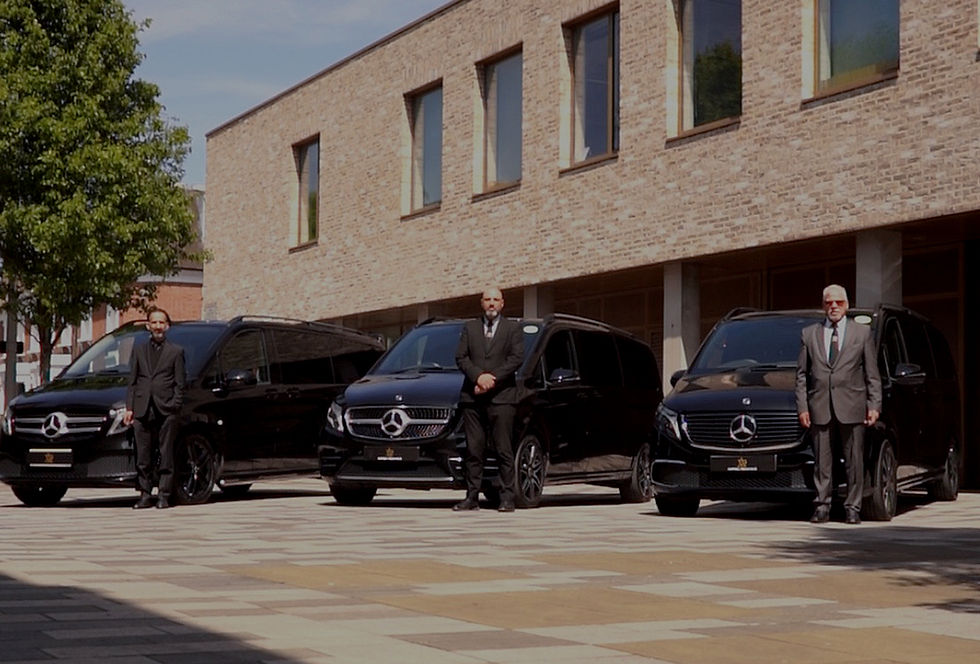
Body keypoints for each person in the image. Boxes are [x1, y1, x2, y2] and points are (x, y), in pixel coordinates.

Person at [796, 285, 881, 524]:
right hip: (819, 406)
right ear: (823, 306)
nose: (833, 306)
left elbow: (872, 374)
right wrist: (803, 407)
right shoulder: (809, 334)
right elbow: (802, 374)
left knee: (854, 460)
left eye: (838, 302)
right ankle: (822, 505)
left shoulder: (861, 333)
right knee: (822, 462)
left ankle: (853, 507)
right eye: (829, 303)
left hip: (853, 406)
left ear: (847, 305)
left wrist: (874, 404)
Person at [454, 287, 524, 512]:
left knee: (504, 449)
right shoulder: (470, 328)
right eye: (487, 299)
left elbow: (516, 358)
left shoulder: (513, 328)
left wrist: (491, 380)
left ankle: (506, 498)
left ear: (503, 303)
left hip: (502, 397)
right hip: (472, 397)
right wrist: (478, 377)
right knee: (474, 450)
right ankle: (471, 497)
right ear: (481, 303)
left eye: (496, 299)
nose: (491, 303)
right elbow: (461, 357)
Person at [124, 307, 185, 509]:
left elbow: (180, 383)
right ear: (148, 326)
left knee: (165, 453)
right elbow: (132, 381)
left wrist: (175, 404)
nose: (158, 326)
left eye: (162, 322)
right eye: (154, 322)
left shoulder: (176, 351)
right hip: (142, 407)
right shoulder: (139, 349)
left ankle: (164, 495)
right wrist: (129, 407)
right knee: (143, 454)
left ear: (167, 326)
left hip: (166, 408)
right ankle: (144, 493)